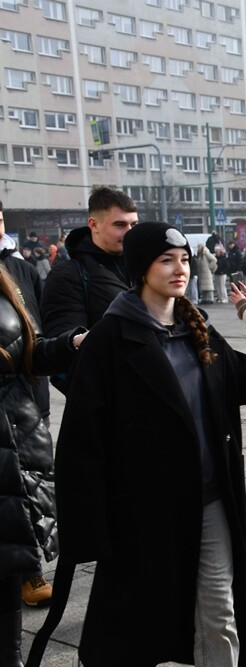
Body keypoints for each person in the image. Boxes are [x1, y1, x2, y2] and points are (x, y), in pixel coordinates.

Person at [27, 223, 246, 667]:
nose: (180, 268)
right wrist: (87, 529)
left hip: (210, 502)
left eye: (184, 258)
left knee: (220, 612)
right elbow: (81, 441)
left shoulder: (195, 326)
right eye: (166, 259)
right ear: (141, 268)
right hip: (143, 513)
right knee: (136, 624)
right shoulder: (110, 338)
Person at [0, 264, 84, 666]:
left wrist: (72, 343)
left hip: (15, 447)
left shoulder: (7, 280)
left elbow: (28, 355)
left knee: (7, 575)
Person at [40, 187, 138, 345]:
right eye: (120, 225)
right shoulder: (67, 276)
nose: (130, 232)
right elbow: (63, 342)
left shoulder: (144, 267)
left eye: (134, 224)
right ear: (94, 225)